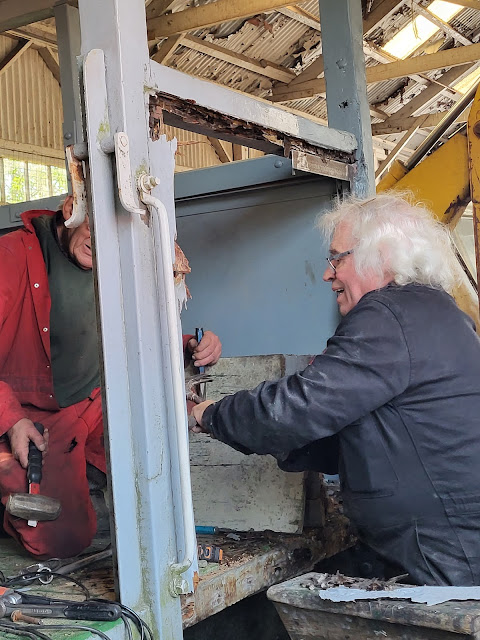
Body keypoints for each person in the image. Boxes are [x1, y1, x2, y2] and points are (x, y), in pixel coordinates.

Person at [192, 192, 480, 586]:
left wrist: (208, 415)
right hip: (447, 546)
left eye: (337, 258)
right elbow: (366, 435)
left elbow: (298, 408)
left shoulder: (386, 316)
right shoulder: (440, 313)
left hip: (443, 557)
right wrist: (286, 443)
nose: (328, 274)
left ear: (379, 255)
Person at [0, 195, 221, 558]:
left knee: (162, 412)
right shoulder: (10, 257)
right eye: (95, 230)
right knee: (61, 541)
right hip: (32, 415)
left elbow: (129, 335)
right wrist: (10, 419)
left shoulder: (116, 263)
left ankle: (79, 481)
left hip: (91, 402)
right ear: (73, 210)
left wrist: (192, 345)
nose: (104, 249)